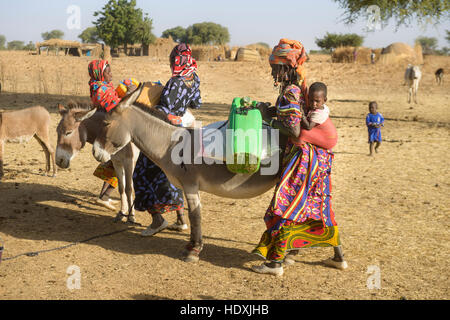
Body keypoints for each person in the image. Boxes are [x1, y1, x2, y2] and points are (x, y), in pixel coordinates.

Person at [252, 39, 347, 276]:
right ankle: (338, 257)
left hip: (302, 160)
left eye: (276, 67)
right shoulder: (299, 88)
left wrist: (268, 118)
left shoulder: (291, 92)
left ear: (286, 68)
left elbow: (293, 130)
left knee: (284, 208)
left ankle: (275, 263)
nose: (273, 71)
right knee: (319, 206)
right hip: (317, 159)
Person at [133, 43, 201, 237]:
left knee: (141, 174)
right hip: (180, 133)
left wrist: (148, 104)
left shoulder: (174, 82)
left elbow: (163, 111)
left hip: (162, 133)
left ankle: (157, 220)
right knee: (174, 175)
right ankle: (181, 220)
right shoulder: (194, 77)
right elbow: (197, 102)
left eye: (173, 60)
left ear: (176, 60)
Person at [88, 60, 136, 211]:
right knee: (121, 163)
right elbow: (116, 109)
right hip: (113, 130)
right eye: (108, 72)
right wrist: (130, 94)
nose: (111, 74)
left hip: (109, 128)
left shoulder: (99, 87)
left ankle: (104, 196)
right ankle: (106, 196)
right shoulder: (101, 90)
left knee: (115, 164)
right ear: (100, 74)